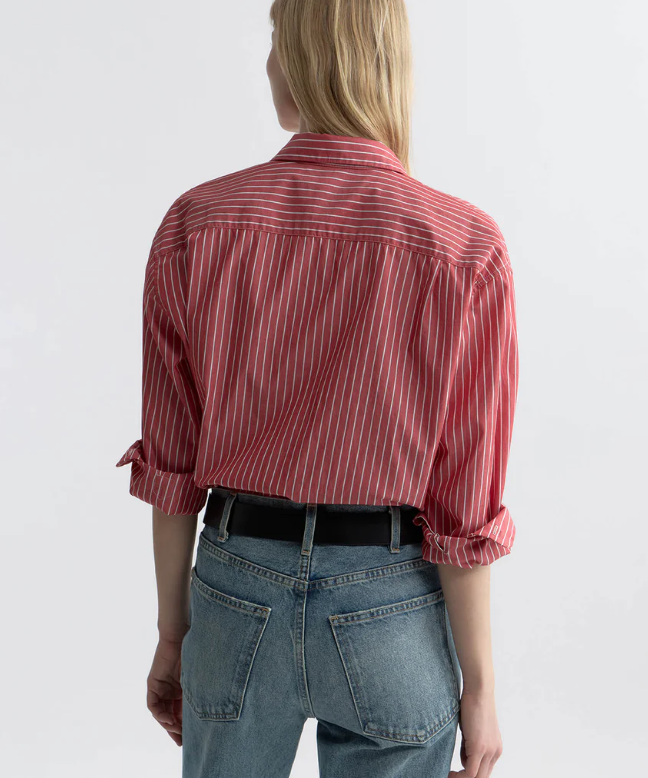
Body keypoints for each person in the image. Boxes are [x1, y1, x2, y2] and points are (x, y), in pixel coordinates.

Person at [116, 1, 519, 776]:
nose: (269, 63)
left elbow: (172, 471)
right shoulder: (465, 249)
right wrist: (481, 688)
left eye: (276, 43)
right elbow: (465, 500)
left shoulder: (198, 225)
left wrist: (175, 634)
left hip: (235, 597)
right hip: (391, 605)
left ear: (303, 62)